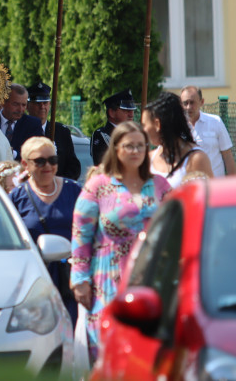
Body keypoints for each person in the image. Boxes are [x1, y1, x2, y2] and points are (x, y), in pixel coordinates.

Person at [71, 121, 171, 360]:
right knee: (111, 351)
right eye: (129, 146)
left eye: (140, 146)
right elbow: (80, 235)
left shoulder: (159, 185)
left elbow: (176, 227)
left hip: (153, 278)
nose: (136, 151)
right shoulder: (99, 186)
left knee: (150, 353)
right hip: (109, 279)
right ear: (116, 149)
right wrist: (80, 279)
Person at [9, 137, 82, 324]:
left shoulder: (74, 191)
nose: (47, 166)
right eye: (40, 161)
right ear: (25, 164)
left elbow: (90, 231)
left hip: (70, 278)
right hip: (33, 280)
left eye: (53, 160)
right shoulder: (17, 197)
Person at [142, 91, 214, 187]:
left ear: (157, 124)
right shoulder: (149, 158)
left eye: (144, 125)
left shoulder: (195, 159)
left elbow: (209, 197)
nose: (142, 130)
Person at [26, 80, 80, 180]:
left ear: (50, 104)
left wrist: (58, 184)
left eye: (45, 103)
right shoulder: (22, 129)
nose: (42, 106)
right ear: (27, 106)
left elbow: (73, 166)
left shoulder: (61, 131)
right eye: (37, 103)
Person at [180, 85, 234, 176]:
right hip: (190, 186)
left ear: (202, 102)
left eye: (192, 102)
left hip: (215, 185)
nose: (188, 107)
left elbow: (227, 155)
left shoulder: (215, 122)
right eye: (185, 103)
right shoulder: (177, 126)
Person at [90, 89, 137, 166]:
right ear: (112, 113)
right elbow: (102, 164)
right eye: (126, 110)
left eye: (132, 110)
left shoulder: (135, 134)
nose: (131, 114)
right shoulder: (102, 135)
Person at [0, 84, 44, 156]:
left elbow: (36, 154)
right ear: (3, 102)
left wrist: (13, 154)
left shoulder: (33, 125)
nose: (20, 109)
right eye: (16, 104)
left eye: (24, 105)